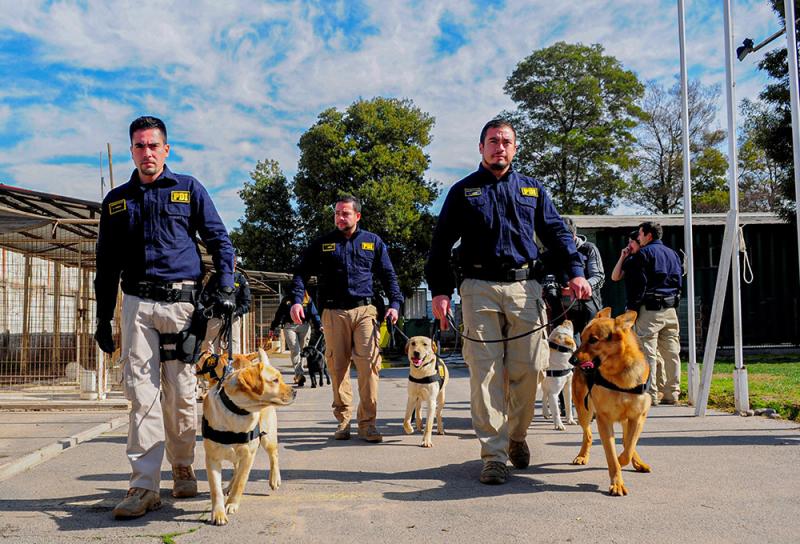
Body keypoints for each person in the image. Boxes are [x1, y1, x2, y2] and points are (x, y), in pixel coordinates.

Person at [425, 119, 591, 485]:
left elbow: (557, 234)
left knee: (531, 369)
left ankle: (516, 436)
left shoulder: (532, 190)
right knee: (484, 375)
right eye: (492, 141)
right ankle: (494, 455)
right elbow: (439, 246)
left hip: (524, 287)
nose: (499, 147)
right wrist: (440, 291)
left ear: (515, 148)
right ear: (481, 147)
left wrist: (576, 272)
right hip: (477, 288)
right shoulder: (462, 191)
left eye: (506, 141)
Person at [94, 116, 235, 519]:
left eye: (154, 145)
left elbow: (220, 241)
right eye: (139, 146)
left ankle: (182, 464)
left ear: (166, 149)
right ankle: (143, 485)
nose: (147, 153)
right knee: (141, 393)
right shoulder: (117, 201)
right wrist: (104, 318)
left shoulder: (189, 189)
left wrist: (224, 287)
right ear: (132, 150)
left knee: (181, 391)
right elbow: (106, 265)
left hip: (182, 306)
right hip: (137, 305)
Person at [289, 194, 403, 443]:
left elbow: (388, 275)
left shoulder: (373, 242)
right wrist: (297, 300)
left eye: (345, 213)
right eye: (337, 213)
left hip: (365, 311)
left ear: (357, 216)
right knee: (337, 368)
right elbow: (301, 273)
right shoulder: (323, 244)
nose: (340, 217)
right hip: (333, 312)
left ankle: (368, 424)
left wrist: (395, 304)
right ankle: (343, 421)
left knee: (369, 367)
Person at [624, 221, 683, 406]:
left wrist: (632, 308)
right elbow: (679, 279)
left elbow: (637, 285)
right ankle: (672, 393)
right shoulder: (673, 253)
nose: (638, 237)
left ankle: (651, 391)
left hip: (650, 309)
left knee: (648, 350)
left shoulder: (643, 254)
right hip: (671, 308)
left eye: (640, 234)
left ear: (648, 235)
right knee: (672, 352)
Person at [611, 230, 667, 398]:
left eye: (632, 243)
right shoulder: (630, 260)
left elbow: (641, 286)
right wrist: (623, 256)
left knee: (648, 350)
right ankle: (657, 387)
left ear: (641, 242)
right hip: (641, 309)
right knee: (652, 350)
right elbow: (615, 276)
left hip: (642, 309)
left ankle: (653, 388)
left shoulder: (641, 260)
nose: (629, 246)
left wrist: (633, 308)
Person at [270, 291, 321, 386]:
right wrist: (273, 327)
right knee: (295, 349)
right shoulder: (287, 300)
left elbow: (314, 314)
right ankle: (299, 375)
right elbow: (279, 314)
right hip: (289, 326)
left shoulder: (308, 299)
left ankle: (298, 373)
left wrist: (319, 325)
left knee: (302, 351)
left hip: (304, 326)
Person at [201, 265, 251, 354]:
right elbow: (205, 296)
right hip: (215, 317)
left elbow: (246, 303)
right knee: (209, 349)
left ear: (234, 263)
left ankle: (230, 367)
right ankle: (209, 367)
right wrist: (215, 303)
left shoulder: (240, 279)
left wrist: (235, 312)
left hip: (232, 320)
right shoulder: (215, 277)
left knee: (233, 350)